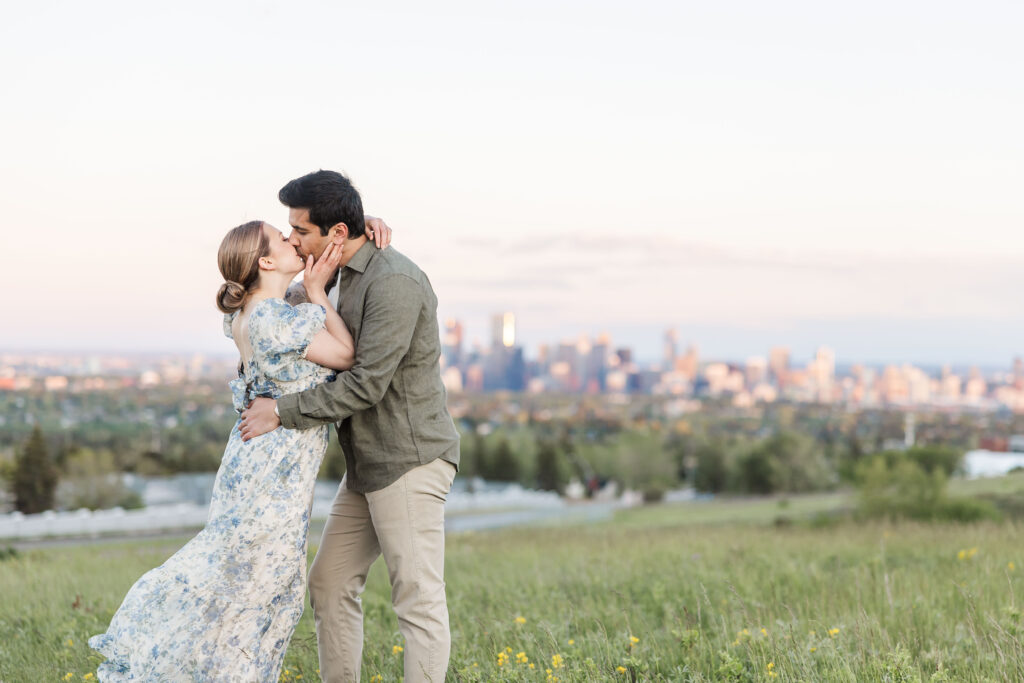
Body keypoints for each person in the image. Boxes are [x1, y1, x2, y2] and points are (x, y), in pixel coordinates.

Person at [88, 216, 391, 681]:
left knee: (242, 585)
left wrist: (355, 227)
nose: (294, 241)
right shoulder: (276, 318)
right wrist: (316, 291)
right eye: (284, 238)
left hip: (257, 461)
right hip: (274, 471)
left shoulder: (249, 313)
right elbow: (348, 357)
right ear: (267, 261)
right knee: (256, 590)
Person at [240, 170, 460, 683]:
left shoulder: (394, 283)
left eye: (301, 230)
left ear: (337, 232)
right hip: (365, 467)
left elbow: (366, 385)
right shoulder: (330, 273)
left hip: (409, 460)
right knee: (330, 583)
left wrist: (282, 411)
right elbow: (284, 310)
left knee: (418, 600)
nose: (292, 238)